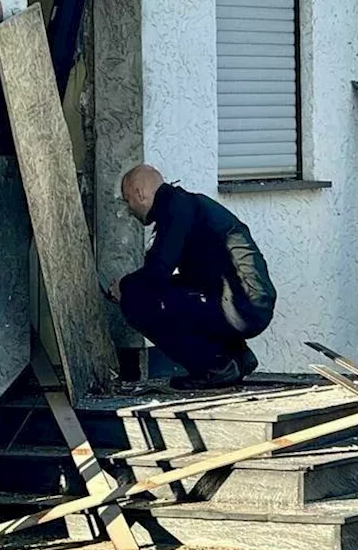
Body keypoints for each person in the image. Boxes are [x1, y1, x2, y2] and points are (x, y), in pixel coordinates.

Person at [108, 164, 277, 390]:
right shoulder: (187, 205)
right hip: (248, 301)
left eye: (128, 200)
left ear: (140, 193)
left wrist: (124, 287)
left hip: (239, 305)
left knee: (138, 299)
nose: (129, 209)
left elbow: (157, 273)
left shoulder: (174, 210)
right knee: (175, 292)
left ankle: (214, 368)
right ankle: (238, 357)